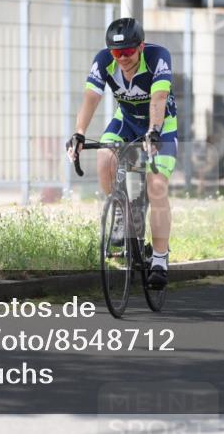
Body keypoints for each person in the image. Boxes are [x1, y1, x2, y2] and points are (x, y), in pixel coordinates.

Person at [65, 18, 177, 289]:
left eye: (128, 52)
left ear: (140, 46)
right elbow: (91, 98)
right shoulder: (104, 60)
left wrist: (153, 131)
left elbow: (159, 98)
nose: (123, 58)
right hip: (126, 121)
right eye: (117, 53)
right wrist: (79, 133)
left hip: (159, 123)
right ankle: (121, 214)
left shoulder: (158, 56)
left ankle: (160, 259)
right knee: (104, 156)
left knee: (157, 186)